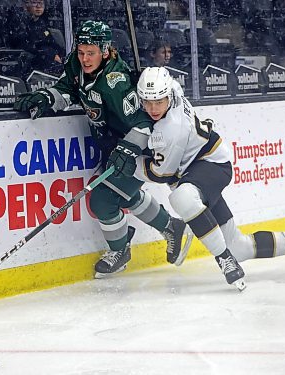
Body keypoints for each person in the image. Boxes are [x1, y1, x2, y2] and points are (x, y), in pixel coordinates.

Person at [13, 21, 193, 278]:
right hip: (112, 144)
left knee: (102, 200)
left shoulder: (115, 83)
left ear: (105, 51)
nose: (84, 58)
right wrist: (47, 98)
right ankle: (171, 227)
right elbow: (68, 89)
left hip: (139, 148)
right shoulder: (76, 65)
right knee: (123, 193)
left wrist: (128, 149)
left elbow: (144, 122)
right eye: (81, 52)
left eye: (91, 53)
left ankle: (120, 249)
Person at [133, 67, 285, 290]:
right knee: (239, 247)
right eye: (147, 101)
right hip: (197, 173)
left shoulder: (170, 129)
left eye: (158, 102)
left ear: (168, 97)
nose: (153, 108)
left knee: (181, 198)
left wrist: (131, 164)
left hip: (211, 166)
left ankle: (223, 259)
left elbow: (161, 174)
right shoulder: (172, 88)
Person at [4, 0, 64, 74]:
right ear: (25, 5)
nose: (38, 6)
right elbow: (25, 45)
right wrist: (50, 54)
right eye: (34, 3)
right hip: (28, 69)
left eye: (41, 3)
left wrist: (58, 54)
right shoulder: (19, 23)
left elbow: (50, 42)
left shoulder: (44, 23)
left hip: (46, 68)